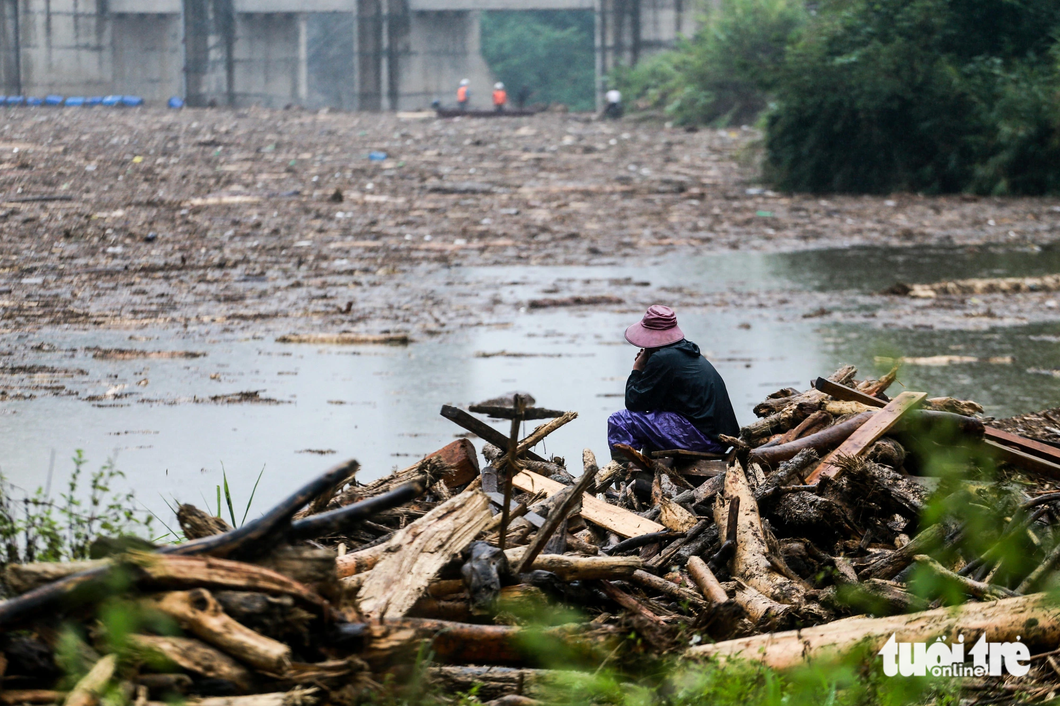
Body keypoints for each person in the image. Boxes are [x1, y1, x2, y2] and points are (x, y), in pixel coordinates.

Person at [607, 305, 739, 459]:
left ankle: (622, 477)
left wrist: (637, 369)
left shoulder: (662, 359)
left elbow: (633, 402)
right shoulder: (684, 352)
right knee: (652, 419)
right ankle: (646, 472)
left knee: (620, 421)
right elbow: (650, 405)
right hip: (717, 439)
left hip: (702, 439)